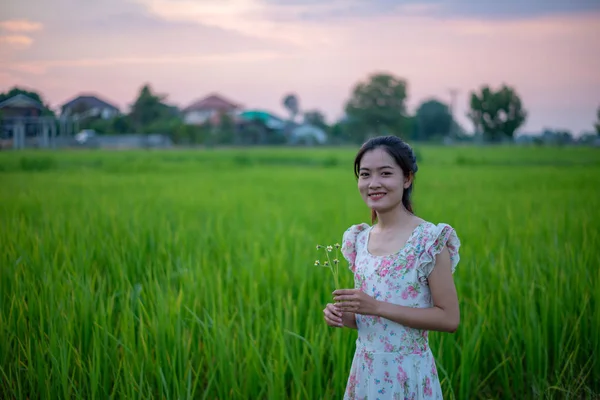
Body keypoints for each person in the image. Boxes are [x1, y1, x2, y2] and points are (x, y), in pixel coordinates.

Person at [323, 135, 461, 399]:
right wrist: (345, 316)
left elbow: (449, 319)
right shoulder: (359, 240)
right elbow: (373, 322)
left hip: (408, 373)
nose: (373, 184)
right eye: (365, 175)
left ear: (407, 178)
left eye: (385, 173)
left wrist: (376, 307)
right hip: (366, 372)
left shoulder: (428, 241)